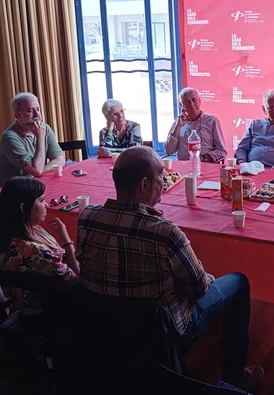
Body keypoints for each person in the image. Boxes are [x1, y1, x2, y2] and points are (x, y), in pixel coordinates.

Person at [75, 146, 263, 390]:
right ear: (144, 184)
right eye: (162, 176)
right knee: (238, 282)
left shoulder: (86, 216)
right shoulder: (165, 232)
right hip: (163, 330)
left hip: (104, 323)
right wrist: (206, 276)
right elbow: (199, 288)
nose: (165, 181)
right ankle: (234, 374)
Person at [0, 177, 79, 322]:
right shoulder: (36, 252)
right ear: (23, 208)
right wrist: (67, 242)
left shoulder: (5, 236)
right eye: (41, 200)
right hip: (50, 313)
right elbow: (77, 279)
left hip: (28, 308)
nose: (46, 204)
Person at [0, 92, 66, 188]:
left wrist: (36, 172)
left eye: (38, 109)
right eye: (30, 111)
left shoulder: (45, 128)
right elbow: (36, 170)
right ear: (18, 115)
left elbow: (59, 159)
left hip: (31, 184)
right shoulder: (9, 137)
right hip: (10, 192)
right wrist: (40, 138)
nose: (36, 115)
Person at [164, 88, 227, 162]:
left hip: (205, 165)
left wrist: (201, 159)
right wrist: (178, 127)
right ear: (181, 105)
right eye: (187, 102)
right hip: (183, 167)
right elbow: (169, 151)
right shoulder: (178, 123)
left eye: (194, 100)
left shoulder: (212, 121)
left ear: (199, 101)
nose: (192, 104)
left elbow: (222, 151)